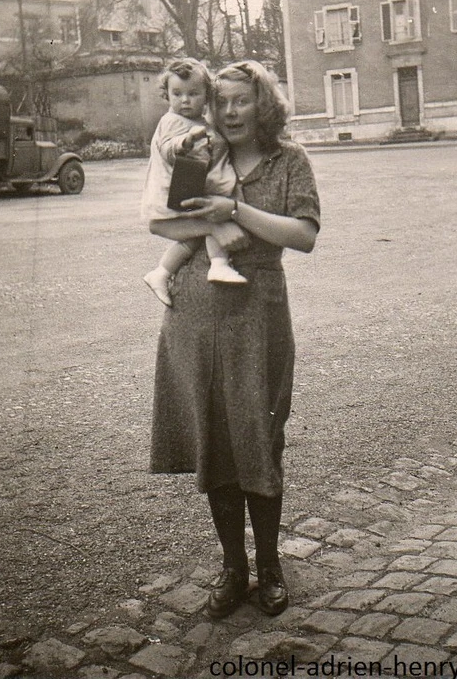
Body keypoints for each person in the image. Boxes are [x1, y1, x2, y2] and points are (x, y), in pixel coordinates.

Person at [147, 60, 320, 618]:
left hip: (260, 305)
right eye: (220, 101)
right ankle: (233, 567)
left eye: (241, 100)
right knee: (214, 437)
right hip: (198, 304)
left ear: (263, 104)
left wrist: (233, 211)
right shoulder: (197, 149)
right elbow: (163, 220)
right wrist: (202, 226)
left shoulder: (288, 159)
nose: (229, 111)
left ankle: (269, 566)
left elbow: (304, 235)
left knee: (260, 435)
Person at [142, 57, 246, 307]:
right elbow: (168, 149)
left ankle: (162, 272)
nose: (185, 100)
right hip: (177, 191)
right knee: (213, 220)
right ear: (167, 95)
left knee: (193, 237)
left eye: (193, 93)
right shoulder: (172, 121)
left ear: (206, 95)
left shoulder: (199, 122)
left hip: (187, 187)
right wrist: (186, 141)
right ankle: (219, 264)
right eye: (177, 94)